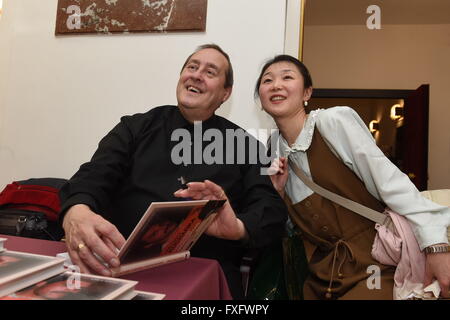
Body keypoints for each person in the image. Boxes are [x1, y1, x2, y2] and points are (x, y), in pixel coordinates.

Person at [59, 44, 288, 299]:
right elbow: (93, 176)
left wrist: (238, 227)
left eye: (210, 72)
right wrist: (76, 212)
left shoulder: (244, 145)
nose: (197, 75)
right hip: (118, 269)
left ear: (225, 93)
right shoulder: (135, 127)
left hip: (203, 276)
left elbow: (271, 210)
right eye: (192, 67)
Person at [255, 54, 450, 300]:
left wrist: (436, 245)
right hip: (322, 276)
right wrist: (279, 195)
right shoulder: (272, 151)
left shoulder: (333, 121)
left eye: (287, 77)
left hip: (377, 263)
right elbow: (291, 231)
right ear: (261, 101)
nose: (276, 85)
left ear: (307, 93)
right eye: (267, 80)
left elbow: (393, 185)